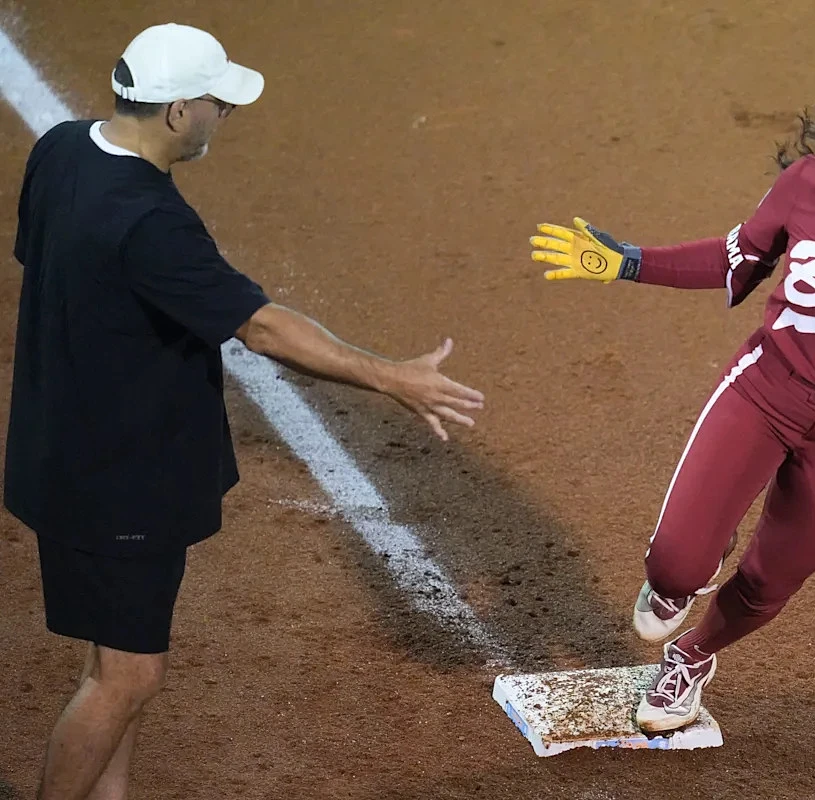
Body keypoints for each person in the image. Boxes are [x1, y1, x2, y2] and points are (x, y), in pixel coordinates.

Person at [4, 23, 484, 800]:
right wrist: (391, 377)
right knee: (127, 678)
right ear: (175, 112)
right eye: (216, 103)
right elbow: (261, 328)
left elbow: (49, 263)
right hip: (118, 483)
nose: (223, 114)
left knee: (114, 659)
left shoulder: (61, 150)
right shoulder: (150, 221)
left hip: (61, 449)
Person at [530, 68, 815, 734]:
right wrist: (629, 261)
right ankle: (690, 566)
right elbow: (734, 261)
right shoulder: (809, 185)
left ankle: (691, 658)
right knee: (674, 565)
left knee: (771, 581)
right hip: (764, 391)